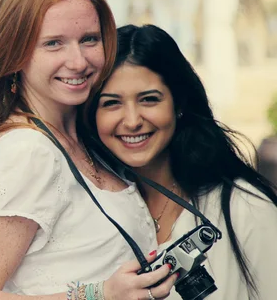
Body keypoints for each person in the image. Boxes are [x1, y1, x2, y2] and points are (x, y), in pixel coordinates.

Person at [0, 0, 178, 300]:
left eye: (89, 40)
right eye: (53, 44)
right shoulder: (26, 152)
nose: (78, 61)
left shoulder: (85, 140)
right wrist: (99, 295)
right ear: (15, 54)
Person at [88, 24, 277, 299]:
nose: (131, 121)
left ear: (179, 105)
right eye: (111, 103)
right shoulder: (95, 213)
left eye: (149, 99)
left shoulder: (245, 209)